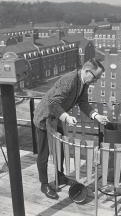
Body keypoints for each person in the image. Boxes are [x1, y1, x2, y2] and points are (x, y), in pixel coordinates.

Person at [33, 59, 110, 199]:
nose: (96, 81)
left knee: (60, 149)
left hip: (56, 118)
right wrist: (66, 117)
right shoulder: (69, 80)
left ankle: (60, 175)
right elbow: (52, 102)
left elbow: (83, 103)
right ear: (87, 71)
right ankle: (44, 184)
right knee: (43, 154)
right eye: (96, 77)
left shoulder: (84, 83)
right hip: (45, 117)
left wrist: (96, 115)